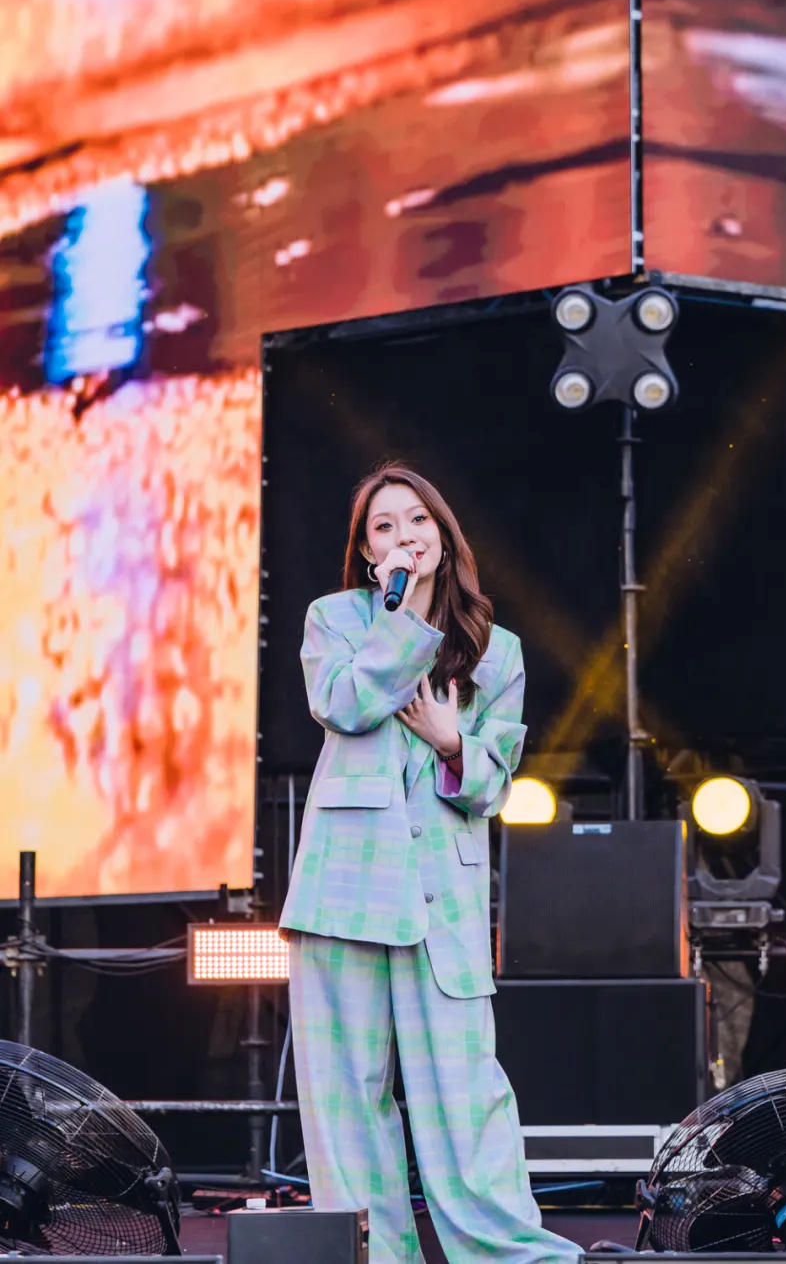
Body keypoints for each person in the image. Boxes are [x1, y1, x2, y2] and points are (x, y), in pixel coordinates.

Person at [280, 461, 580, 1264]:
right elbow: (344, 705)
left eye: (417, 521)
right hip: (344, 886)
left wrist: (453, 744)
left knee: (463, 1091)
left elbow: (495, 784)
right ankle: (375, 1255)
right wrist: (404, 618)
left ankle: (507, 1253)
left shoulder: (497, 650)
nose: (404, 536)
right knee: (347, 1097)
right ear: (366, 550)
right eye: (384, 526)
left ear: (444, 537)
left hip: (440, 892)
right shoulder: (336, 619)